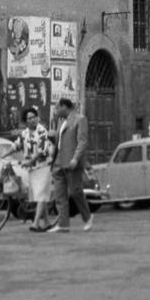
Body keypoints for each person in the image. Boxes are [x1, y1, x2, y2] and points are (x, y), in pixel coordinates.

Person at [47, 97, 93, 234]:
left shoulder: (80, 119)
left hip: (72, 162)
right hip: (59, 162)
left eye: (57, 107)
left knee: (75, 191)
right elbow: (60, 141)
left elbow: (82, 142)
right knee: (60, 195)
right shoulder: (62, 122)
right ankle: (63, 224)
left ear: (64, 107)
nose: (56, 110)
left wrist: (75, 158)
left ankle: (88, 217)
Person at [13, 105, 56, 231]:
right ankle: (47, 222)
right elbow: (16, 145)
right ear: (26, 121)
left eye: (34, 117)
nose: (32, 120)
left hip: (43, 167)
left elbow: (42, 151)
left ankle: (35, 223)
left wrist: (30, 161)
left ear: (37, 118)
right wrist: (2, 155)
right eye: (29, 118)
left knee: (41, 196)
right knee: (38, 197)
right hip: (33, 170)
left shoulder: (42, 131)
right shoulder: (24, 133)